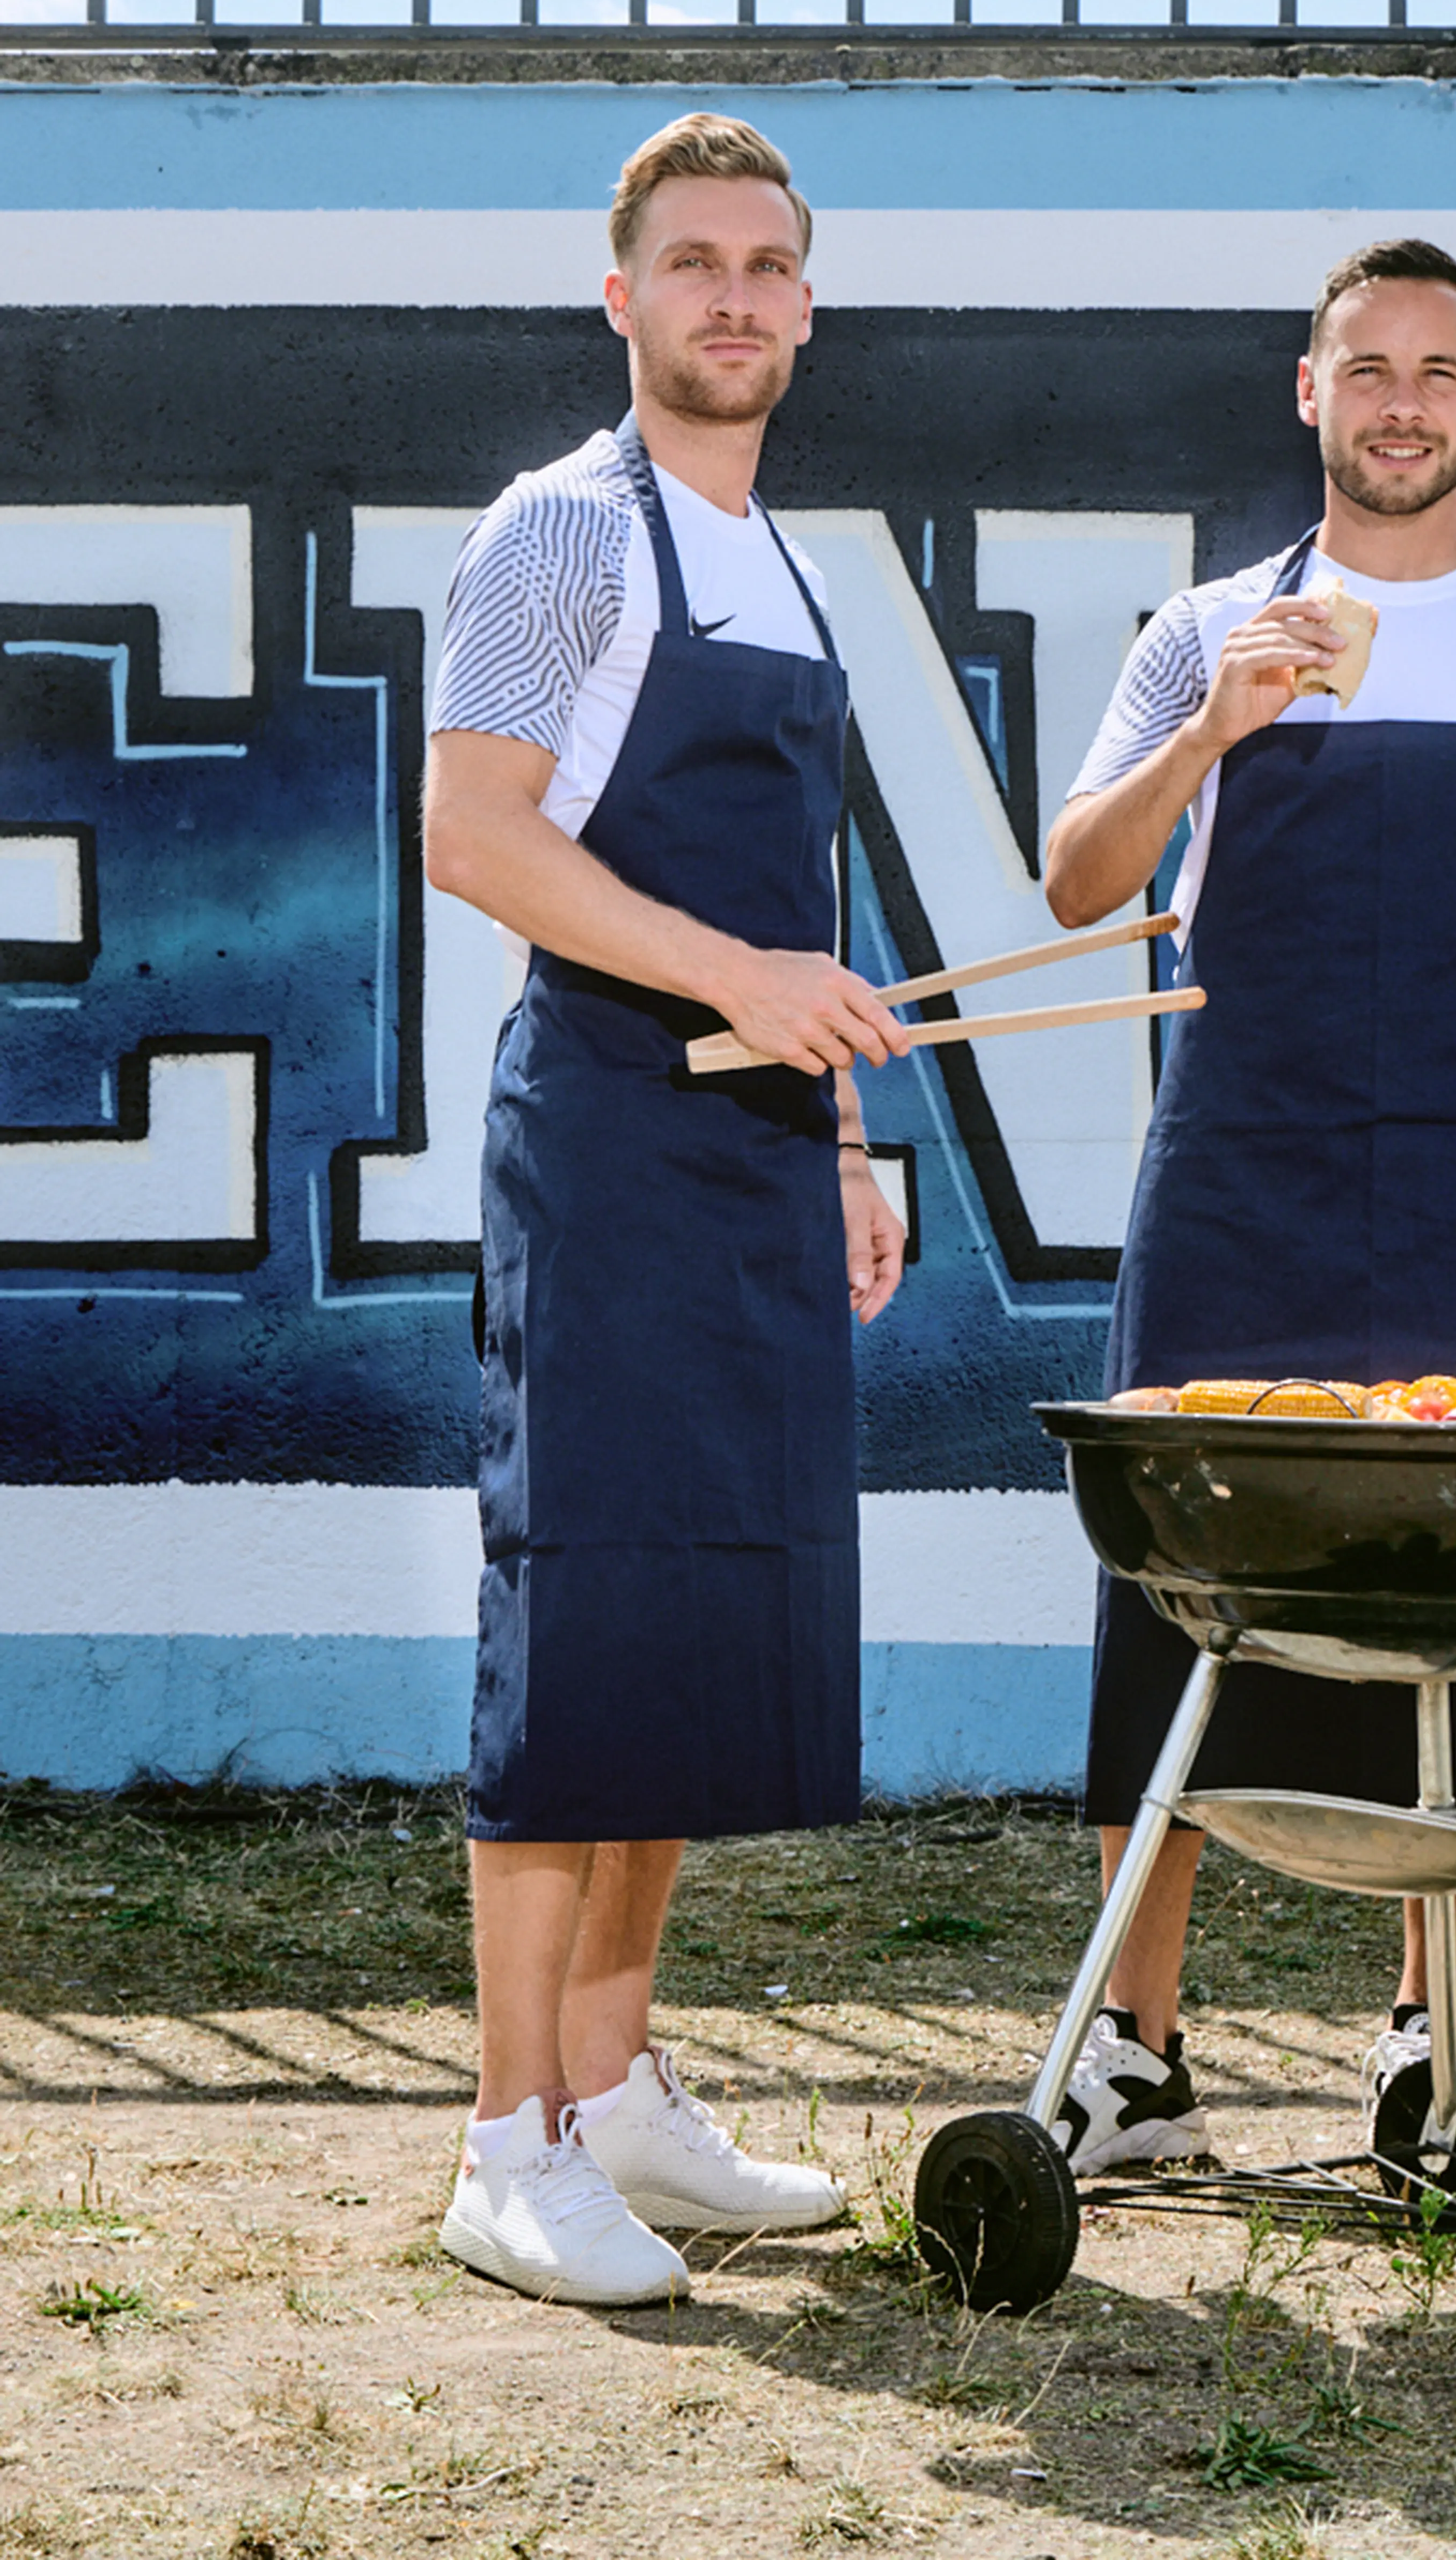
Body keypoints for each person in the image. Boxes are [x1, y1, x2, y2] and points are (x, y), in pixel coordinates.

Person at [1041, 239, 1456, 2176]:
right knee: (1172, 1600)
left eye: (1437, 368)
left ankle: (1428, 2034)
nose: (1401, 398)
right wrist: (1215, 729)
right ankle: (1136, 2050)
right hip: (1236, 1186)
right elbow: (1075, 883)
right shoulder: (1198, 632)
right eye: (1365, 365)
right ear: (1309, 395)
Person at [421, 114, 910, 2303]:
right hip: (609, 1151)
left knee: (701, 1623)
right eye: (695, 262)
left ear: (806, 305)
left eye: (770, 265)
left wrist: (836, 1137)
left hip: (752, 1162)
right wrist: (736, 986)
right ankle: (506, 2141)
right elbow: (475, 836)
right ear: (619, 295)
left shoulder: (785, 570)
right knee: (583, 1628)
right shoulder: (559, 538)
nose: (736, 297)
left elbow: (791, 906)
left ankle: (616, 2091)